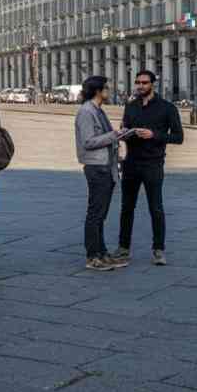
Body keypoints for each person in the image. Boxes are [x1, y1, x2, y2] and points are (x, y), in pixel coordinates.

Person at [114, 69, 183, 266]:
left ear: (153, 84)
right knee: (127, 207)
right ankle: (123, 247)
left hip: (153, 163)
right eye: (138, 82)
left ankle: (158, 250)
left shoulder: (167, 108)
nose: (140, 86)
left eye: (144, 83)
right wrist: (124, 133)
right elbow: (124, 128)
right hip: (131, 162)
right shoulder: (131, 106)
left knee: (156, 208)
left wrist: (154, 135)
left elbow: (178, 137)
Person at [75, 75, 130, 272]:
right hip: (96, 167)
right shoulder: (86, 112)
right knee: (95, 214)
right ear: (98, 91)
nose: (109, 90)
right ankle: (92, 256)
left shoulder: (98, 110)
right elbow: (89, 142)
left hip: (106, 166)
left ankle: (102, 252)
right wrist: (114, 135)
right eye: (106, 87)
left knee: (101, 214)